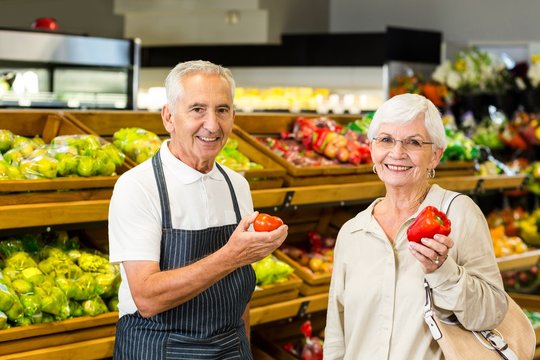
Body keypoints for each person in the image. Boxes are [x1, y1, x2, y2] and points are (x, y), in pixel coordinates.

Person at [108, 60, 288, 359]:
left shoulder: (237, 186)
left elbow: (240, 297)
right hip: (159, 350)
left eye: (222, 110)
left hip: (231, 349)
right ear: (169, 117)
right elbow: (147, 297)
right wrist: (230, 256)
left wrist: (245, 346)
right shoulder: (138, 187)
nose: (212, 125)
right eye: (197, 110)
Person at [324, 93, 507, 359]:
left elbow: (492, 312)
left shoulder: (458, 214)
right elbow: (336, 338)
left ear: (435, 156)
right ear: (372, 148)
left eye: (413, 142)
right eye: (386, 139)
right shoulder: (353, 233)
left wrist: (443, 271)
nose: (397, 153)